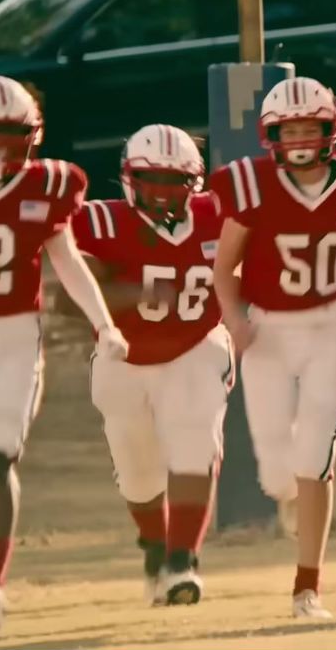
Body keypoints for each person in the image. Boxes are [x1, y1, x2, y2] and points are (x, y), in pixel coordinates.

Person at [209, 76, 336, 619]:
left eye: (310, 127)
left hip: (332, 325)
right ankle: (294, 498)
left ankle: (307, 587)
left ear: (329, 129)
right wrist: (233, 319)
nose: (301, 138)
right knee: (276, 474)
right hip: (267, 331)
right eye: (290, 129)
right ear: (271, 134)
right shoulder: (251, 183)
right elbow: (224, 265)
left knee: (315, 455)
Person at [0, 75, 128, 632]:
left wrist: (103, 322)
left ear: (32, 136)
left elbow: (66, 257)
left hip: (14, 335)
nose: (0, 149)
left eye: (11, 135)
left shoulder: (51, 184)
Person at [73, 125, 229, 607]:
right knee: (139, 477)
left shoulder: (219, 215)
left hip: (196, 345)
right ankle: (155, 546)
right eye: (151, 178)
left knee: (195, 449)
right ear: (128, 179)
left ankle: (183, 562)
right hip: (124, 357)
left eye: (173, 179)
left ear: (195, 182)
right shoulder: (98, 221)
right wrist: (135, 292)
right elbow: (67, 297)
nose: (161, 190)